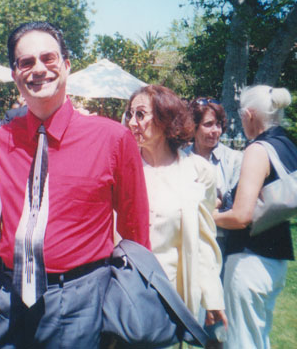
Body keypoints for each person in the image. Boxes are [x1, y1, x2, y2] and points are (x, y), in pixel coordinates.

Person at [0, 22, 150, 349]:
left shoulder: (112, 139)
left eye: (48, 58)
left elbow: (135, 231)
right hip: (6, 299)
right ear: (15, 73)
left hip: (80, 302)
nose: (38, 70)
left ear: (66, 65)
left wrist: (126, 303)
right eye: (26, 62)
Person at [126, 85, 227, 337]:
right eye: (129, 114)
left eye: (140, 114)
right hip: (124, 292)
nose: (131, 122)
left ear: (165, 119)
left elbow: (204, 240)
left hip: (171, 296)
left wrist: (212, 296)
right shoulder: (122, 167)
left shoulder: (198, 171)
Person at [213, 86, 296, 349]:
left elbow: (240, 216)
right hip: (276, 260)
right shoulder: (287, 145)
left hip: (249, 260)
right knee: (259, 339)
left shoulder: (258, 150)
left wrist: (207, 215)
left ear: (249, 114)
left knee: (241, 342)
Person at [186, 98, 243, 257]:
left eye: (218, 124)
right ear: (194, 127)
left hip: (221, 242)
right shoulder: (180, 158)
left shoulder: (234, 160)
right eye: (208, 124)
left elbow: (233, 205)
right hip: (187, 238)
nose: (215, 131)